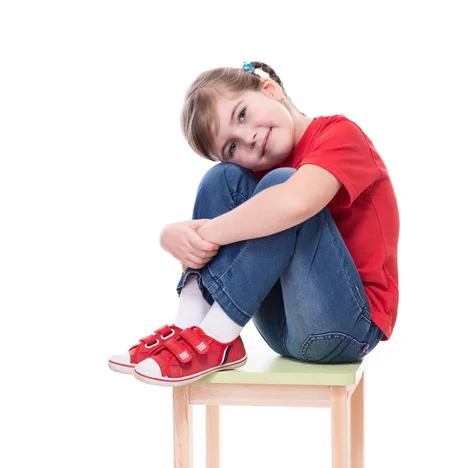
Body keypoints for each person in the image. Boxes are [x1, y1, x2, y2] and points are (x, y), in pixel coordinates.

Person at [108, 61, 400, 387]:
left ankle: (219, 332)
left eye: (242, 114)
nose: (247, 138)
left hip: (348, 328)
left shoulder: (340, 135)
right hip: (281, 328)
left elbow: (294, 203)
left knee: (281, 189)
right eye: (231, 147)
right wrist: (169, 235)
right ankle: (190, 323)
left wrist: (201, 234)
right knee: (223, 179)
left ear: (269, 90)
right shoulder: (256, 171)